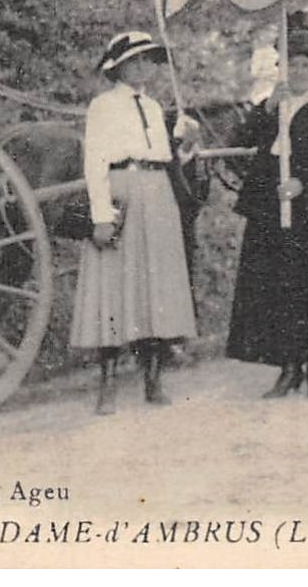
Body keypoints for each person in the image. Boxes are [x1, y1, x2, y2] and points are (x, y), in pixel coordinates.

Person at [226, 26, 308, 398]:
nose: (298, 72)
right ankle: (288, 367)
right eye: (292, 65)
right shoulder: (273, 105)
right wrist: (267, 109)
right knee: (280, 288)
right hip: (273, 210)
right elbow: (238, 142)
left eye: (305, 65)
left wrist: (304, 183)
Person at [75, 32, 199, 414]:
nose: (145, 67)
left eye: (149, 60)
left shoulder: (154, 106)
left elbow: (168, 157)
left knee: (155, 288)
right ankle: (108, 383)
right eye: (137, 60)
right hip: (122, 189)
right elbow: (95, 162)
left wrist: (187, 142)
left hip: (158, 192)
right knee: (115, 285)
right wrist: (100, 215)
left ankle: (153, 379)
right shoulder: (103, 106)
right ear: (119, 66)